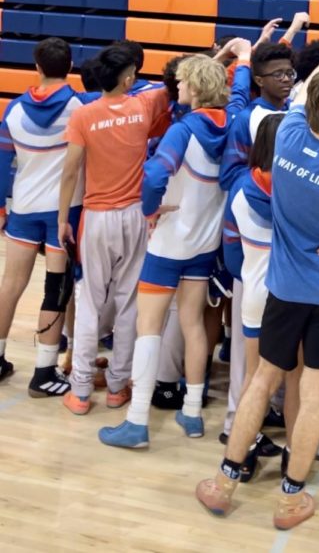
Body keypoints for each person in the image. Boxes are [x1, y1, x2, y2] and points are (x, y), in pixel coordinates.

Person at [195, 28, 319, 530]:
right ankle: (289, 499)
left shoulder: (288, 132)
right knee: (315, 395)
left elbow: (316, 81)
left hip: (283, 289)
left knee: (262, 381)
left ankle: (223, 483)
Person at [98, 55, 230, 447]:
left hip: (170, 242)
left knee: (148, 327)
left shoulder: (183, 129)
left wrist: (150, 207)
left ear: (193, 86)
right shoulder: (232, 122)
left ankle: (137, 420)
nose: (180, 88)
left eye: (184, 82)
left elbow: (155, 174)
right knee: (192, 325)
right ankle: (191, 412)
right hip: (205, 243)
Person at [58, 44, 170, 415]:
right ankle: (118, 387)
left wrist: (62, 219)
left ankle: (81, 391)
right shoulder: (143, 106)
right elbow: (181, 79)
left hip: (96, 218)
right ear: (127, 78)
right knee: (128, 303)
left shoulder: (84, 116)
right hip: (135, 215)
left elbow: (70, 171)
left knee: (90, 303)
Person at [0, 38, 92, 394]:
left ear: (36, 67)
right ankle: (44, 372)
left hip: (22, 207)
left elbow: (1, 164)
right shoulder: (80, 107)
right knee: (56, 289)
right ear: (69, 68)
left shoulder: (14, 110)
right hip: (63, 213)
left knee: (10, 285)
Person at [221, 113, 285, 468]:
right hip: (286, 293)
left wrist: (243, 274)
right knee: (291, 377)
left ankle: (240, 451)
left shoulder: (241, 187)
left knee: (253, 378)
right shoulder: (296, 191)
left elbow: (230, 244)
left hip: (252, 292)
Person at [219, 42, 294, 190]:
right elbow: (229, 175)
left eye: (290, 73)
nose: (286, 79)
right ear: (259, 80)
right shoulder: (246, 118)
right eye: (278, 74)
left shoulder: (298, 111)